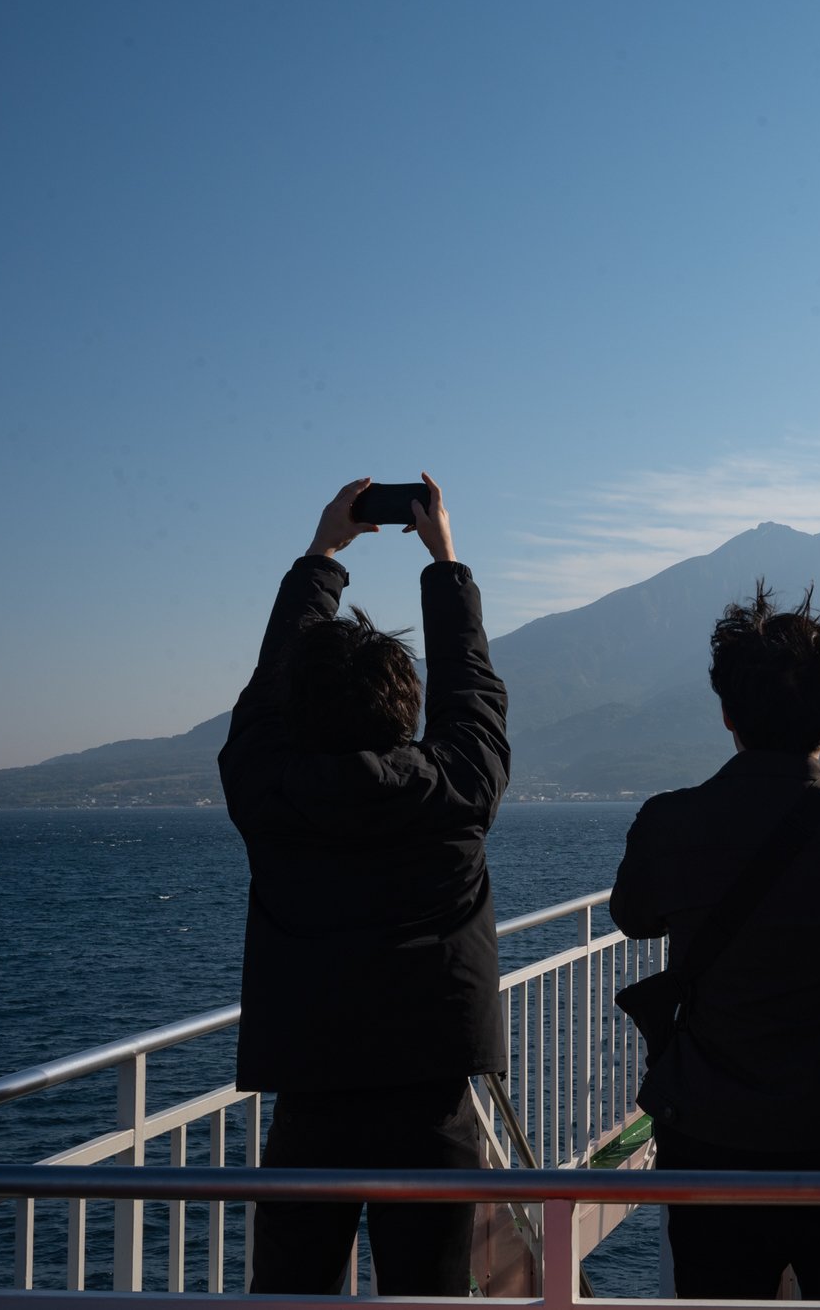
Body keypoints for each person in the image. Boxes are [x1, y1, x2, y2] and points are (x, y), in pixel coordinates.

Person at [610, 581, 820, 1301]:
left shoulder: (668, 822)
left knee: (717, 1292)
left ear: (726, 713)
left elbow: (633, 915)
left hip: (710, 1121)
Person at [219, 475, 509, 1297]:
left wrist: (322, 557)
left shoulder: (268, 793)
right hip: (431, 1091)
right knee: (429, 1287)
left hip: (311, 1086)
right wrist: (443, 561)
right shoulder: (457, 789)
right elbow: (473, 696)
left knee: (294, 1287)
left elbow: (269, 696)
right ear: (407, 707)